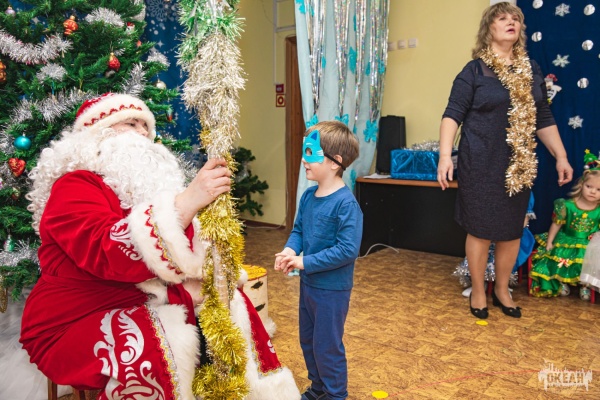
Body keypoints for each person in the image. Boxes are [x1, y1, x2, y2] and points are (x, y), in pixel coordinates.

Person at [19, 93, 300, 400]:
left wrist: (205, 279)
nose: (143, 133)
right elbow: (107, 252)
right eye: (131, 124)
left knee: (232, 307)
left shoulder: (140, 190)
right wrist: (185, 205)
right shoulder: (74, 185)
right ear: (96, 135)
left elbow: (183, 255)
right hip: (73, 318)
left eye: (146, 126)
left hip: (139, 300)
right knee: (157, 341)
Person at [437, 2, 573, 319]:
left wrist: (561, 156)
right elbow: (452, 115)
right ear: (489, 28)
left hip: (518, 165)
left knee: (512, 230)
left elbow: (542, 116)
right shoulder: (474, 71)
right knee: (481, 229)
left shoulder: (531, 69)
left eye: (516, 18)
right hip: (479, 162)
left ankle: (501, 289)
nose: (511, 22)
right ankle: (479, 290)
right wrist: (445, 156)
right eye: (502, 18)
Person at [274, 121, 362, 400]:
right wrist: (290, 250)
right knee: (309, 341)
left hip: (332, 291)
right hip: (309, 286)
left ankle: (336, 395)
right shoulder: (308, 196)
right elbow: (299, 231)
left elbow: (347, 250)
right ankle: (319, 389)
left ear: (335, 162)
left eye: (311, 153)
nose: (304, 159)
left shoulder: (346, 204)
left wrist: (304, 262)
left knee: (327, 346)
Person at [530, 168, 600, 297]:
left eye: (598, 189)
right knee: (560, 256)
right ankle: (562, 282)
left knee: (586, 259)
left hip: (588, 243)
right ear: (581, 185)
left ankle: (585, 285)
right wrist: (550, 241)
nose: (592, 192)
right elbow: (556, 224)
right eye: (589, 186)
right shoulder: (567, 205)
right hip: (566, 239)